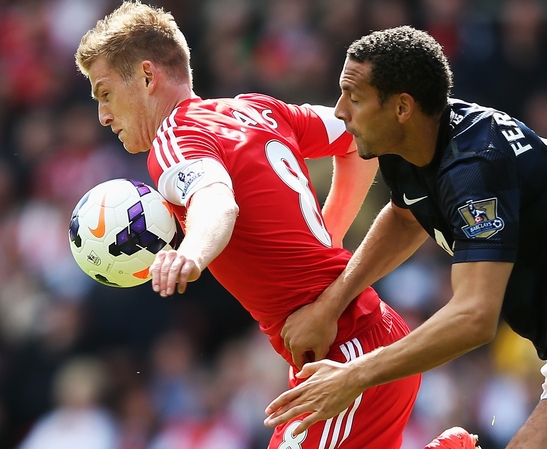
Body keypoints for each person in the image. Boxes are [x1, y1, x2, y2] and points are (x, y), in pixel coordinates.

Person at [265, 26, 547, 449]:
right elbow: (406, 217)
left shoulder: (475, 167)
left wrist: (353, 377)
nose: (340, 111)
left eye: (354, 98)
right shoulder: (410, 142)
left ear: (401, 108)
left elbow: (474, 318)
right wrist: (331, 304)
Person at [74, 3, 428, 448]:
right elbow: (359, 139)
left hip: (347, 346)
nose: (103, 116)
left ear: (147, 78)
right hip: (353, 339)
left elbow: (217, 201)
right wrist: (331, 229)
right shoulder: (254, 109)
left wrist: (192, 254)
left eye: (104, 94)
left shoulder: (174, 141)